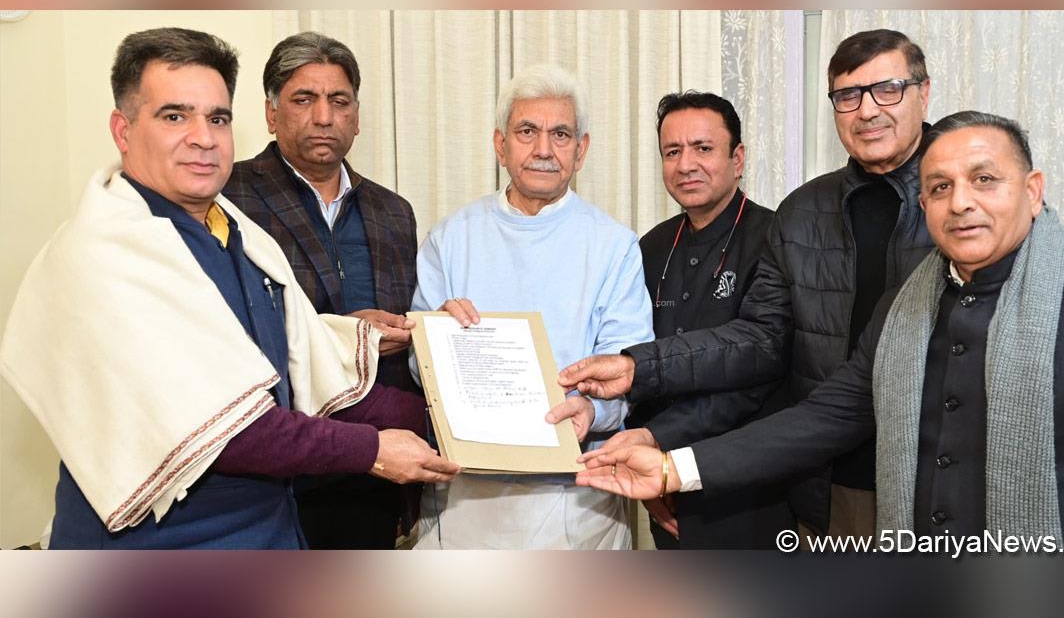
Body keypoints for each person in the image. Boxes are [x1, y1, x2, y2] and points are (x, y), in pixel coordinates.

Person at [576, 111, 1064, 549]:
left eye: (985, 180)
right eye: (939, 187)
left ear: (1033, 191)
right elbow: (824, 418)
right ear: (923, 207)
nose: (961, 202)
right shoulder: (908, 306)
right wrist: (672, 467)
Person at [0, 27, 459, 549]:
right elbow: (235, 432)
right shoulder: (98, 257)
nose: (203, 136)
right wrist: (372, 449)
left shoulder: (239, 236)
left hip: (268, 531)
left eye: (217, 118)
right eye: (175, 116)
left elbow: (309, 371)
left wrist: (457, 415)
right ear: (122, 130)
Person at [559, 29, 937, 537]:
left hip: (928, 470)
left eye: (886, 89)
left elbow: (761, 374)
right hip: (818, 477)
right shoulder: (803, 213)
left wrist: (657, 429)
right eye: (848, 95)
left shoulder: (956, 206)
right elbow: (762, 340)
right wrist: (644, 406)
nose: (867, 109)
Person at [411, 63, 654, 549]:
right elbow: (418, 362)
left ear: (581, 150)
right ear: (500, 144)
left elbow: (632, 363)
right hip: (467, 498)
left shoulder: (613, 245)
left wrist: (591, 408)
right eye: (527, 131)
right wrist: (440, 344)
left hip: (578, 497)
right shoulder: (450, 238)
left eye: (560, 134)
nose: (543, 149)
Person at [223, 31, 426, 549]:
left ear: (356, 115)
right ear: (271, 113)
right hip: (270, 469)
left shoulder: (392, 212)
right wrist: (345, 334)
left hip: (375, 468)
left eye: (339, 101)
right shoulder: (228, 197)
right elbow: (227, 334)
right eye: (303, 100)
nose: (323, 117)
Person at [612, 91, 791, 549]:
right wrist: (648, 457)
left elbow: (764, 371)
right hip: (660, 482)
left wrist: (656, 442)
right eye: (672, 152)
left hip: (748, 484)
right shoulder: (649, 248)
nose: (686, 164)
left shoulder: (777, 237)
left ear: (738, 158)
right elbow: (634, 359)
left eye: (703, 148)